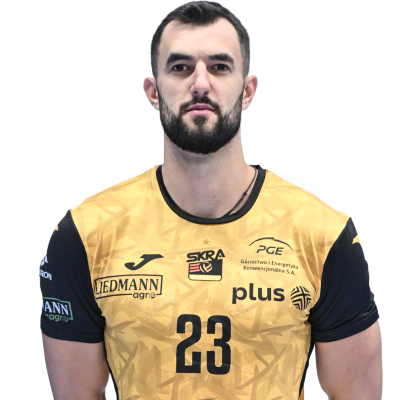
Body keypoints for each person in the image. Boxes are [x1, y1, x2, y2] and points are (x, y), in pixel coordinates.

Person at [39, 1, 383, 399]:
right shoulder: (85, 232)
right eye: (180, 67)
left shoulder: (322, 233)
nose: (200, 83)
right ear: (153, 91)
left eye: (219, 67)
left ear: (248, 90)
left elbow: (357, 394)